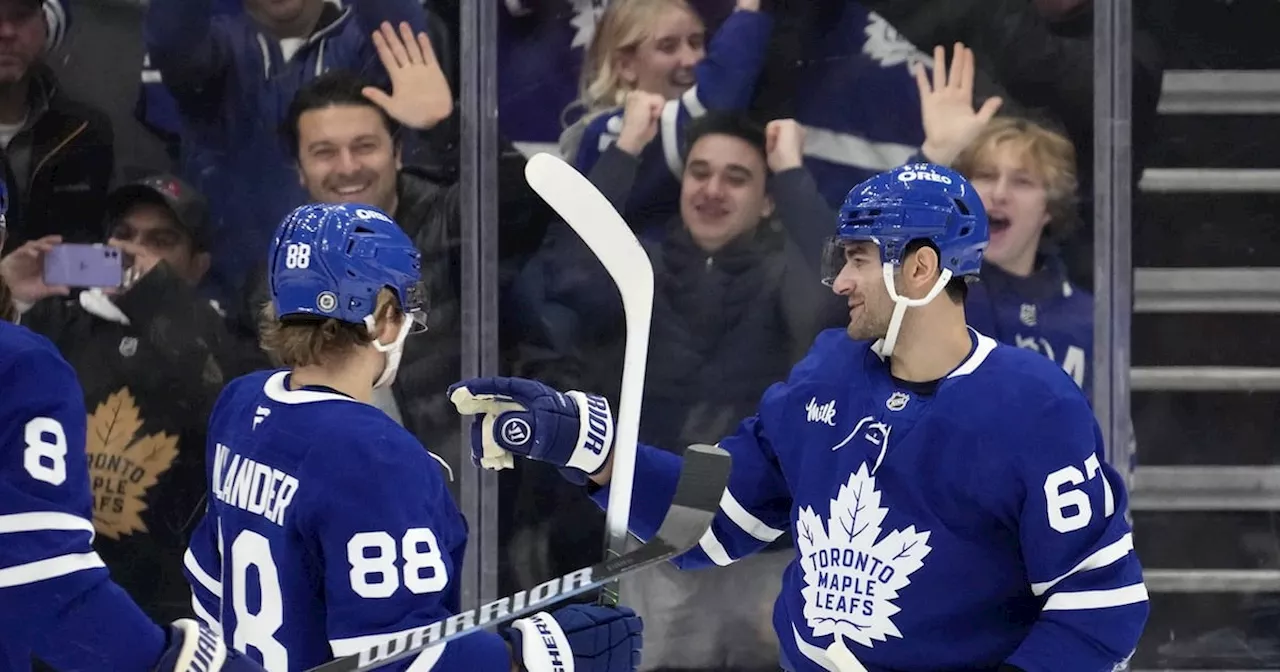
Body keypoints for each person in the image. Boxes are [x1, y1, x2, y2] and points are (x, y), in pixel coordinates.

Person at [450, 162, 1149, 671]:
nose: (841, 281)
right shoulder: (829, 372)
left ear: (921, 270)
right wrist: (591, 451)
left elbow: (1099, 610)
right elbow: (713, 523)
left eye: (858, 259)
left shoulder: (1032, 405)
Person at [182, 202, 643, 672]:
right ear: (383, 316)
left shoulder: (240, 404)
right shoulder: (376, 457)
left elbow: (208, 582)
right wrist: (529, 657)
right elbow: (395, 657)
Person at [0, 188, 264, 670]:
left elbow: (226, 396)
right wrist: (8, 293)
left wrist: (157, 294)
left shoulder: (221, 344)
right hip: (66, 611)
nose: (130, 251)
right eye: (122, 235)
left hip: (160, 610)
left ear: (199, 264)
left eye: (161, 240)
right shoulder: (53, 332)